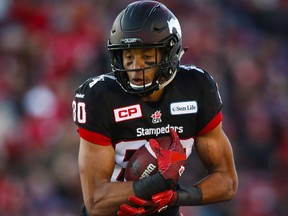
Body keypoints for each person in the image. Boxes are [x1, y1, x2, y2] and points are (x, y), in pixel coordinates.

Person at [72, 1, 238, 215]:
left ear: (170, 53)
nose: (135, 68)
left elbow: (227, 182)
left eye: (147, 57)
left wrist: (176, 197)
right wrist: (156, 184)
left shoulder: (197, 87)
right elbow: (96, 201)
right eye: (128, 57)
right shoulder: (100, 96)